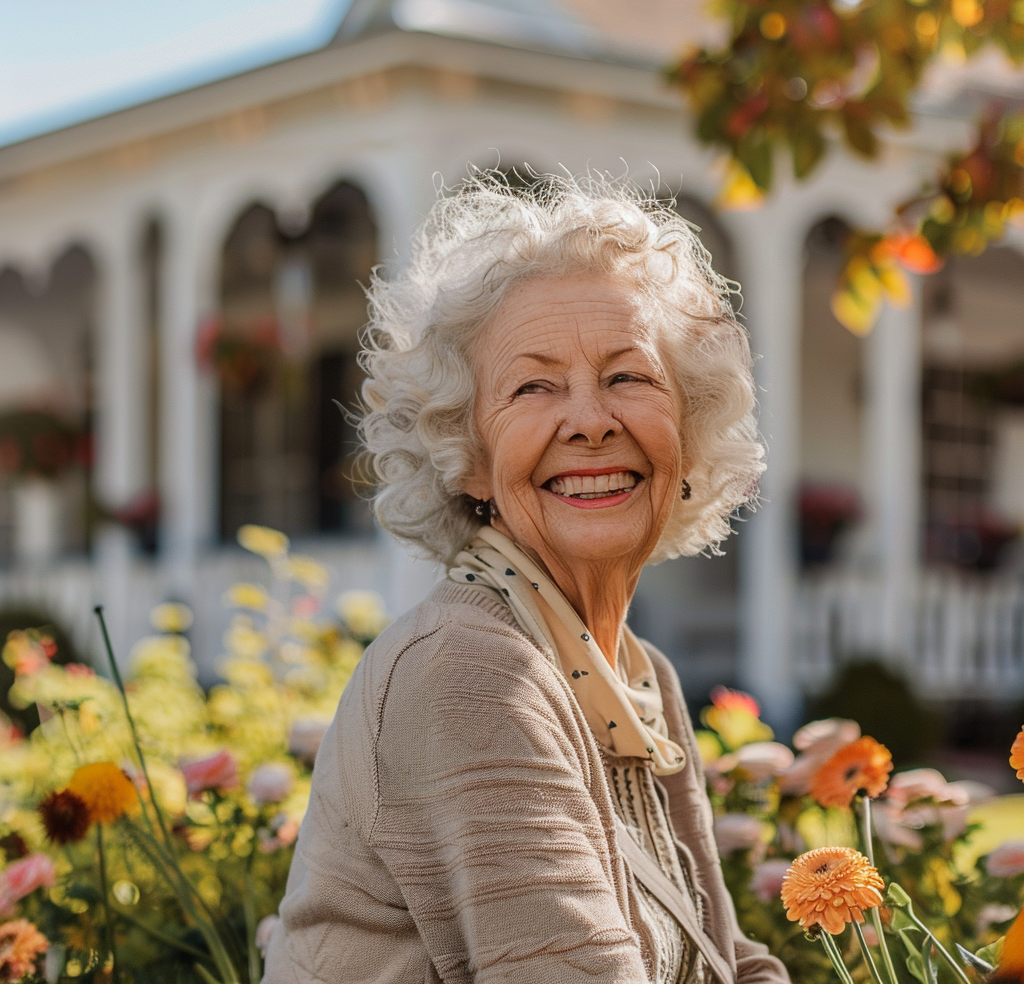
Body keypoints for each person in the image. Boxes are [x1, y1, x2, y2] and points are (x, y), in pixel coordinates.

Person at [263, 173, 789, 984]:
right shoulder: (471, 671)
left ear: (688, 432)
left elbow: (727, 963)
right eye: (533, 387)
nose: (589, 419)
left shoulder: (641, 683)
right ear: (467, 457)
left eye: (629, 377)